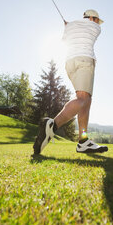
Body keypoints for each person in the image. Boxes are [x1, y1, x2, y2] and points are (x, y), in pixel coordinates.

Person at [31, 9, 108, 158]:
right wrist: (70, 25)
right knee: (83, 99)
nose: (98, 23)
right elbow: (88, 27)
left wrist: (68, 25)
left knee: (86, 100)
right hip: (84, 60)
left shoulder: (70, 27)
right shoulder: (95, 28)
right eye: (97, 19)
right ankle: (52, 125)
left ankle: (83, 141)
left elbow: (65, 40)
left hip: (70, 63)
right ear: (92, 18)